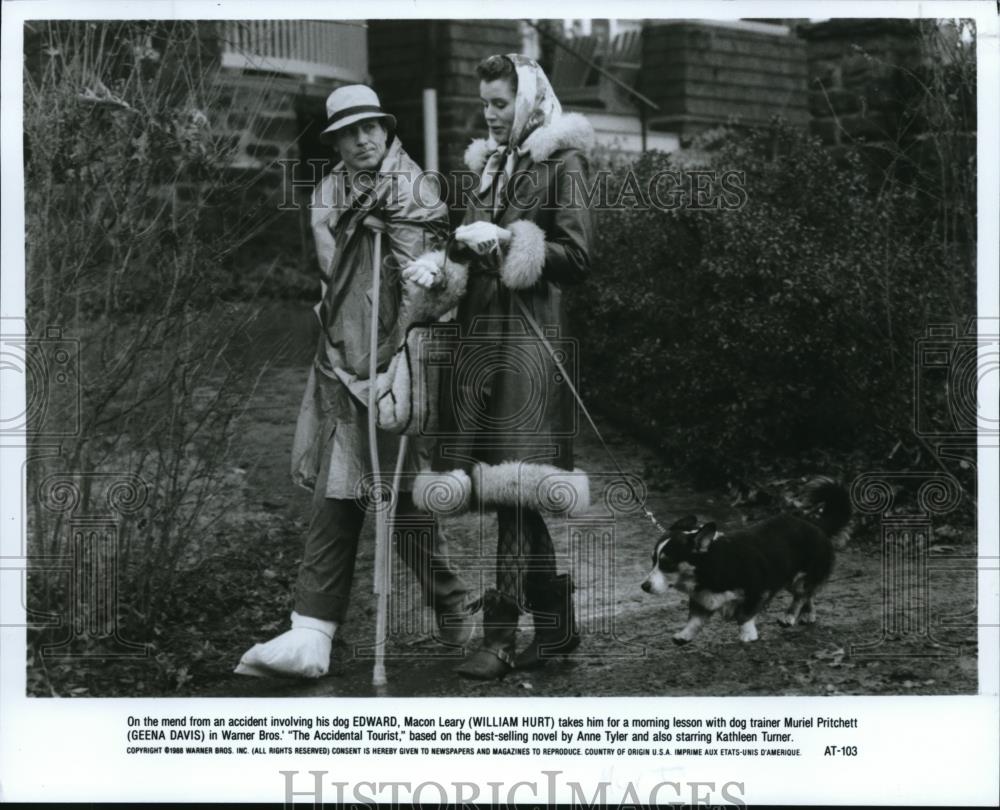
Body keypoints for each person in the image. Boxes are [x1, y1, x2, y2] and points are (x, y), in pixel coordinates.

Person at [235, 85, 471, 679]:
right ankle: (314, 629)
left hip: (399, 361)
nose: (364, 139)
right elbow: (330, 282)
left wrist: (402, 347)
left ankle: (442, 604)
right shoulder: (327, 194)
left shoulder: (416, 190)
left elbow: (428, 290)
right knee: (345, 495)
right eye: (350, 131)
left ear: (388, 130)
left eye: (373, 127)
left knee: (387, 495)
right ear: (336, 140)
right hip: (342, 360)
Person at [403, 55, 595, 679]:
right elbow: (470, 243)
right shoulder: (491, 164)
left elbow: (578, 254)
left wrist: (512, 241)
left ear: (531, 100)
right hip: (482, 338)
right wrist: (443, 266)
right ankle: (557, 627)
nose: (489, 114)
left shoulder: (565, 161)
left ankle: (502, 636)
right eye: (484, 103)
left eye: (500, 104)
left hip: (532, 344)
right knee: (506, 487)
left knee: (515, 488)